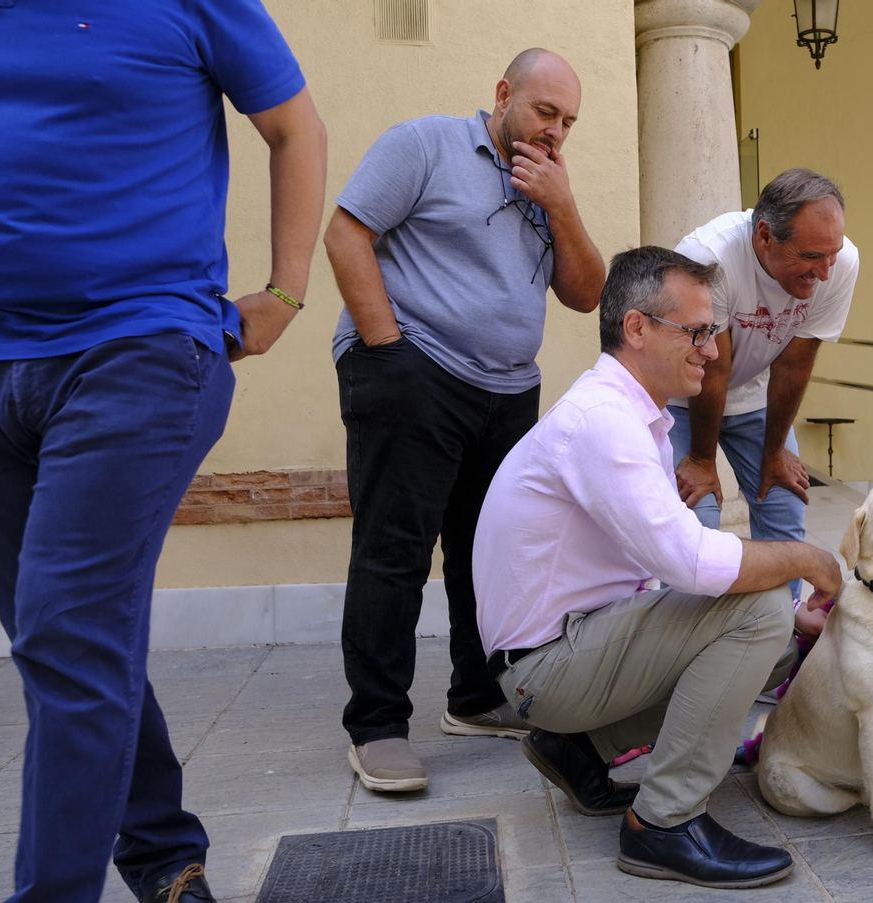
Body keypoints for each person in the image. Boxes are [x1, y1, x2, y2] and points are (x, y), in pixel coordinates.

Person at [0, 3, 326, 902]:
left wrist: (284, 291)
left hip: (141, 342)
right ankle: (165, 856)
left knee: (67, 629)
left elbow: (294, 126)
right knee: (60, 636)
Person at [474, 246, 843, 889]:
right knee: (759, 611)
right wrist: (808, 559)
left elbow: (668, 573)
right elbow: (692, 563)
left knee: (779, 633)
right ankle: (664, 823)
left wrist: (793, 610)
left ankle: (581, 748)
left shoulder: (630, 416)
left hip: (567, 650)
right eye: (697, 332)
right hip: (545, 669)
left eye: (712, 332)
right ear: (637, 328)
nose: (713, 350)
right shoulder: (604, 422)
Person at [324, 48, 606, 789]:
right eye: (545, 112)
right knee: (396, 550)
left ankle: (476, 697)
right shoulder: (424, 144)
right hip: (414, 369)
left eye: (568, 122)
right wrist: (388, 349)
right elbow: (346, 234)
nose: (555, 131)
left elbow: (586, 294)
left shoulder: (548, 184)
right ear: (504, 94)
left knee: (489, 551)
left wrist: (563, 205)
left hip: (507, 389)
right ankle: (378, 726)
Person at [670, 168, 859, 616]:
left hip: (751, 394)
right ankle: (689, 636)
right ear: (764, 236)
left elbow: (795, 363)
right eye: (810, 256)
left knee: (784, 502)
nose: (824, 272)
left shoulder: (841, 261)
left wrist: (775, 451)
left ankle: (780, 629)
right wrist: (701, 460)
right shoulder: (708, 258)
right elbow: (711, 369)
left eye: (831, 255)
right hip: (681, 393)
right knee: (695, 514)